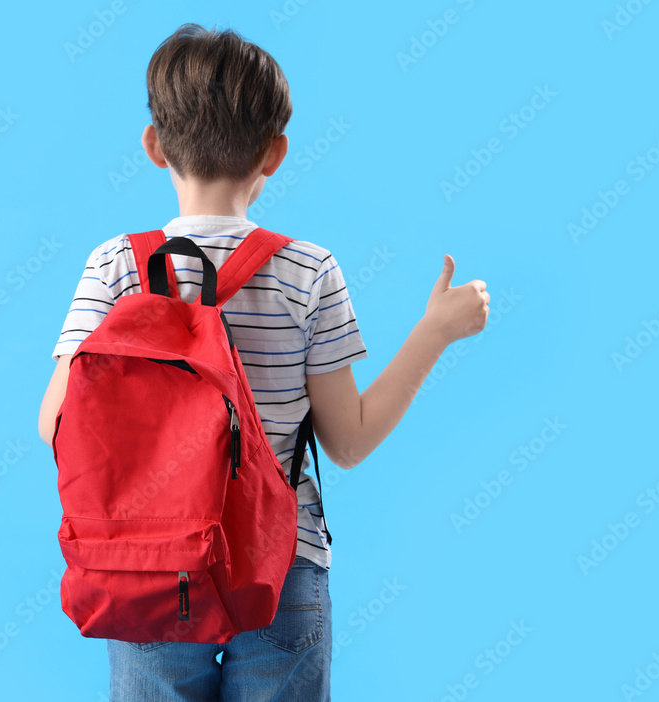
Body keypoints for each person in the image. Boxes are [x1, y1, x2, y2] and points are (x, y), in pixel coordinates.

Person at [37, 23, 489, 702]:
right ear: (275, 154)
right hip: (280, 565)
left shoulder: (115, 267)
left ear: (154, 145)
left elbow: (56, 425)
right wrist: (435, 330)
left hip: (149, 566)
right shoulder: (307, 270)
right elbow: (350, 441)